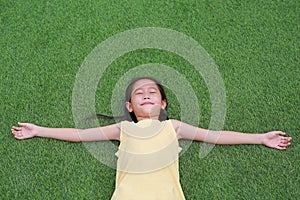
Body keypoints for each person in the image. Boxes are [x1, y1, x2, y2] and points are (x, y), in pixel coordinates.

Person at [11, 77, 292, 200]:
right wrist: (40, 130)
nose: (146, 94)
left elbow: (215, 136)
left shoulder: (174, 128)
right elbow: (79, 134)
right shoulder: (123, 129)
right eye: (139, 93)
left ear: (164, 104)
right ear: (130, 107)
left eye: (152, 92)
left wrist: (259, 138)